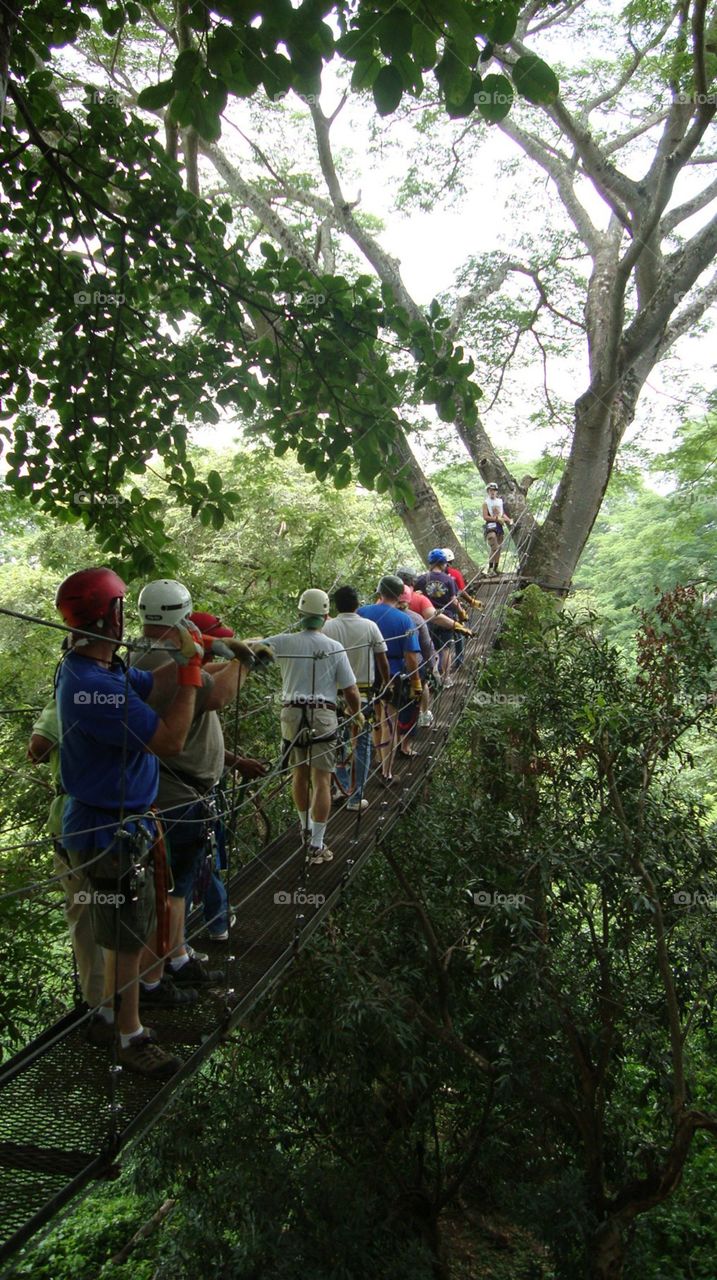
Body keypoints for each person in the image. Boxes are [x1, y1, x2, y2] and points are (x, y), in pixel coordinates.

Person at [55, 567, 205, 1077]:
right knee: (123, 937)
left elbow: (149, 684)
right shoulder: (94, 687)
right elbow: (169, 742)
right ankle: (129, 1035)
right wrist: (191, 677)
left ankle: (107, 1016)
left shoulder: (99, 670)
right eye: (120, 609)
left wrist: (190, 658)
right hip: (108, 832)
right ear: (110, 616)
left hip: (114, 825)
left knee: (121, 930)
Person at [133, 583, 261, 975]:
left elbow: (201, 672)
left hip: (173, 789)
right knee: (177, 886)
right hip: (178, 794)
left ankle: (176, 955)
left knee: (175, 883)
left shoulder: (145, 653)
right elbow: (217, 694)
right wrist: (245, 661)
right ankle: (170, 964)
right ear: (182, 613)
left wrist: (228, 655)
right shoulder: (166, 654)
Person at [262, 588, 362, 864]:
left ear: (300, 614)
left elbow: (255, 649)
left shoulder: (283, 642)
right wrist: (358, 715)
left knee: (299, 774)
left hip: (291, 713)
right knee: (321, 780)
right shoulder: (334, 647)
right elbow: (351, 691)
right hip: (323, 715)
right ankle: (317, 844)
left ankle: (305, 827)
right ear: (326, 615)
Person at [189, 610, 268, 940]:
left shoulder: (192, 669)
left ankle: (213, 917)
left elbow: (213, 673)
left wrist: (236, 762)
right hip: (189, 790)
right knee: (195, 856)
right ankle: (213, 922)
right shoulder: (184, 676)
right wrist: (244, 659)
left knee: (202, 853)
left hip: (201, 783)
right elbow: (218, 694)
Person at [27, 692, 105, 1012]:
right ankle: (128, 992)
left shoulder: (67, 697)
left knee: (85, 912)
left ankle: (101, 1004)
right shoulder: (121, 692)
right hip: (121, 816)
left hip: (74, 821)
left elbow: (39, 747)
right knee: (119, 905)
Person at [323, 585, 389, 812]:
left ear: (335, 606)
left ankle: (341, 786)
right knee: (362, 743)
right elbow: (382, 660)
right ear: (357, 603)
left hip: (335, 694)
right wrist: (385, 685)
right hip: (363, 692)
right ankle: (355, 797)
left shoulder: (327, 628)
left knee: (338, 740)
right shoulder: (370, 626)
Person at [358, 575, 422, 781]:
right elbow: (411, 657)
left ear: (379, 591)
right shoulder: (405, 620)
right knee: (389, 723)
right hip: (392, 676)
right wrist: (416, 683)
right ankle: (386, 771)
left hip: (365, 674)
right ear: (399, 595)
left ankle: (376, 758)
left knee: (375, 720)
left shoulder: (362, 613)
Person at [415, 550, 461, 686]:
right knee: (446, 648)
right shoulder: (448, 579)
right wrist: (462, 612)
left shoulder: (422, 579)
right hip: (446, 618)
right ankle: (446, 679)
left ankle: (434, 678)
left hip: (428, 618)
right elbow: (454, 601)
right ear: (443, 563)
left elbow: (416, 595)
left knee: (431, 649)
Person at [396, 588, 438, 729]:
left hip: (391, 667)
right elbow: (426, 644)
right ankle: (424, 714)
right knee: (422, 686)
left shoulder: (380, 617)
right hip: (415, 665)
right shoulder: (415, 618)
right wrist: (432, 666)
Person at [482, 483, 513, 573]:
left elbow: (502, 513)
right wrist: (496, 518)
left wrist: (509, 520)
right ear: (488, 491)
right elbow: (485, 516)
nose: (492, 492)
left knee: (499, 548)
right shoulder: (486, 503)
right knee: (494, 547)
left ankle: (496, 568)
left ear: (496, 492)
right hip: (490, 526)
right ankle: (490, 568)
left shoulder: (499, 501)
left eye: (494, 490)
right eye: (491, 490)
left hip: (499, 526)